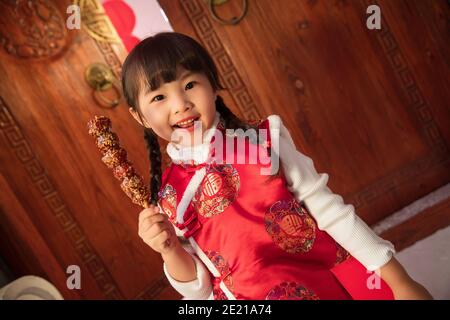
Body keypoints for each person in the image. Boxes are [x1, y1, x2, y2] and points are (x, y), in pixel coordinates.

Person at [121, 32, 432, 300]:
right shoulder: (166, 197)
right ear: (140, 117)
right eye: (159, 96)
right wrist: (168, 249)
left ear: (213, 85)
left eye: (189, 85)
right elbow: (199, 291)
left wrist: (399, 280)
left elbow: (332, 214)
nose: (180, 104)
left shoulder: (263, 142)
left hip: (323, 285)